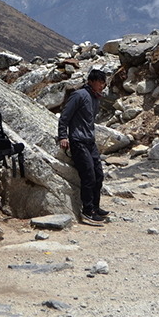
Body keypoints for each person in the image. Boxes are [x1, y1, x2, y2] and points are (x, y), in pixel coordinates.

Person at [58, 69, 108, 225]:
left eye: (103, 82)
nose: (102, 85)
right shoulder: (79, 95)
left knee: (99, 175)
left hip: (90, 142)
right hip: (78, 141)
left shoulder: (95, 98)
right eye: (99, 81)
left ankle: (95, 207)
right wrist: (63, 136)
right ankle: (87, 211)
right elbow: (65, 116)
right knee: (89, 176)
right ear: (91, 81)